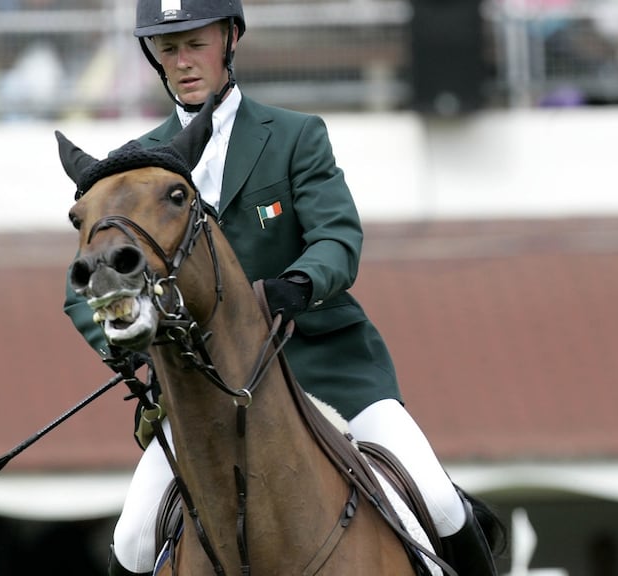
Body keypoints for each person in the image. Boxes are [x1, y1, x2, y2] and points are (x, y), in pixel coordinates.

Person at [64, 1, 500, 574]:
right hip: (202, 388)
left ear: (230, 39)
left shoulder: (295, 135)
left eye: (196, 43)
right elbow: (83, 289)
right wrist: (121, 327)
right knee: (134, 540)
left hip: (321, 364)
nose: (183, 62)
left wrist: (298, 283)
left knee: (440, 502)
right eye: (169, 49)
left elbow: (337, 237)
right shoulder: (135, 171)